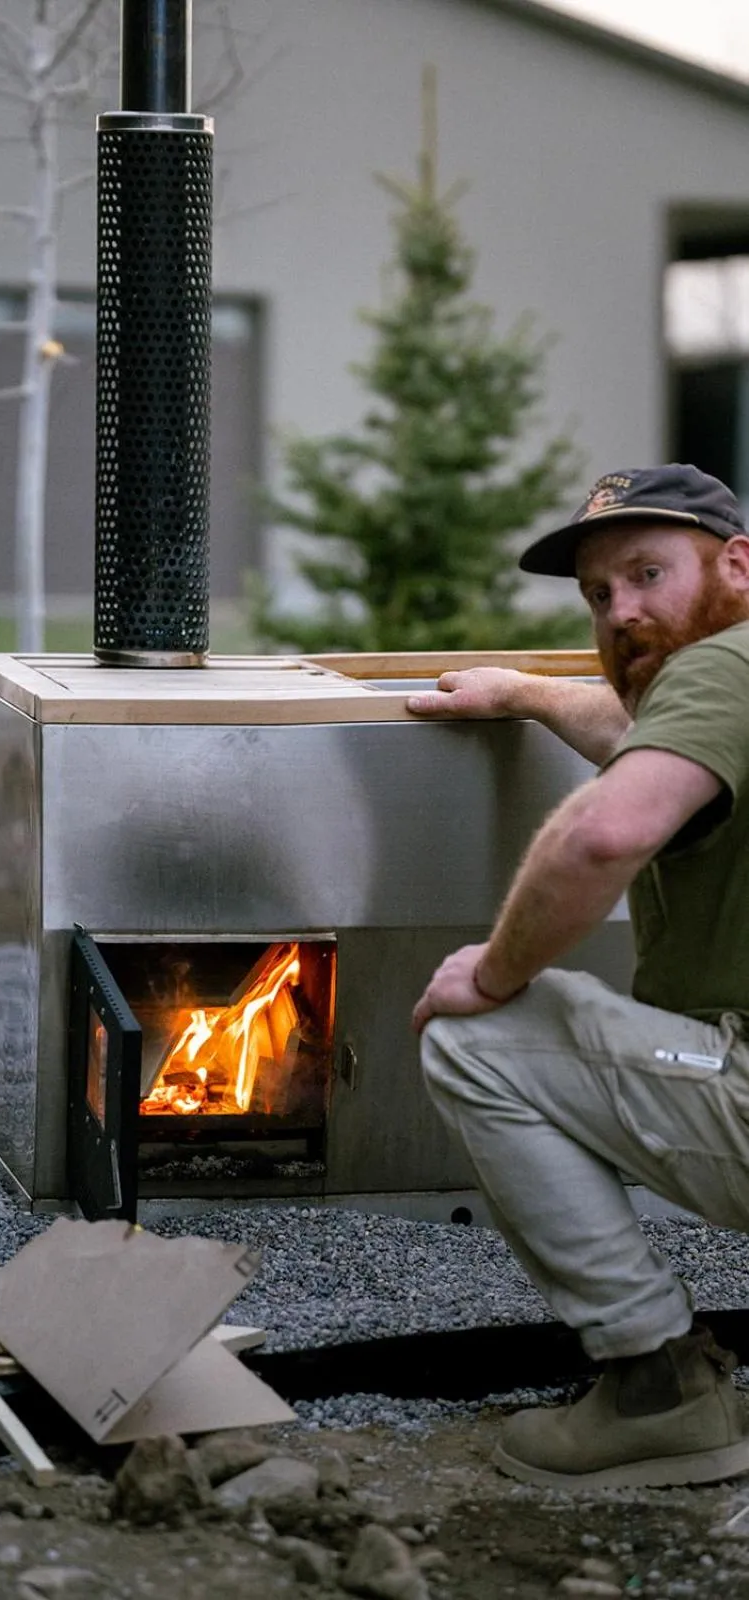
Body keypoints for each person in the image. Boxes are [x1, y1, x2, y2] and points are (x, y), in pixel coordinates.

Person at [407, 463, 749, 1489]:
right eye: (598, 595)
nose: (620, 612)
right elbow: (654, 745)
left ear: (737, 564)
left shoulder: (722, 667)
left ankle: (655, 1392)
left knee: (473, 1038)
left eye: (647, 574)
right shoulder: (723, 683)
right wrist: (519, 691)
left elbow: (606, 832)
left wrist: (495, 969)